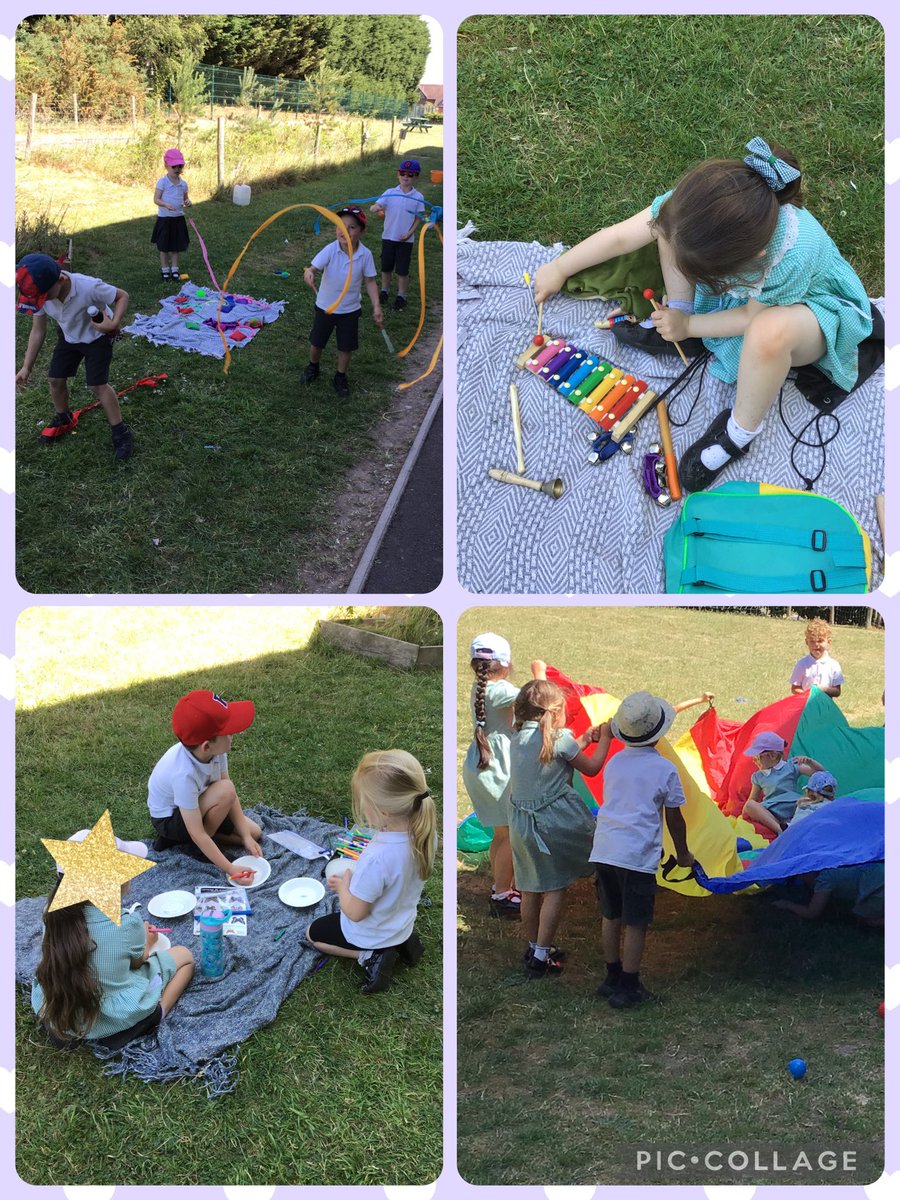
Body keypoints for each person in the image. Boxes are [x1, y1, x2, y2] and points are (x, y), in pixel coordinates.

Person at [534, 137, 875, 492]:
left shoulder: (790, 256)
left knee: (769, 334)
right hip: (746, 295)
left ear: (749, 261)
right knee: (667, 230)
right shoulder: (696, 211)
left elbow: (749, 318)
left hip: (813, 312)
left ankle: (738, 434)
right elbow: (621, 238)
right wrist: (560, 268)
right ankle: (683, 317)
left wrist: (691, 325)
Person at [31, 836, 195, 1050]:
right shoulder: (128, 923)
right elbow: (137, 963)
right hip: (114, 1013)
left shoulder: (51, 915)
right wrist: (147, 941)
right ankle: (155, 1015)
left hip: (57, 1010)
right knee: (185, 956)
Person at [590, 692, 692, 1009]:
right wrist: (684, 854)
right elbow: (674, 819)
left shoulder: (615, 762)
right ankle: (629, 987)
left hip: (605, 849)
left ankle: (612, 976)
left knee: (611, 914)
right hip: (636, 856)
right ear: (660, 732)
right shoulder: (664, 770)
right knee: (635, 921)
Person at [306, 749, 437, 994]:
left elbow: (355, 912)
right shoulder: (425, 834)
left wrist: (343, 888)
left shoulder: (379, 858)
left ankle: (369, 955)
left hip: (371, 932)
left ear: (384, 812)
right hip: (401, 923)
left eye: (364, 802)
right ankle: (402, 943)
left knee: (313, 934)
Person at [507, 679, 606, 979]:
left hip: (521, 825)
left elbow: (553, 754)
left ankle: (534, 946)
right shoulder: (560, 739)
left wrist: (584, 740)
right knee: (554, 888)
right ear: (558, 711)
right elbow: (591, 768)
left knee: (531, 887)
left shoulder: (516, 737)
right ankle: (540, 958)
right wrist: (605, 739)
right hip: (552, 824)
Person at [15, 252, 133, 461]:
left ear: (61, 279)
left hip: (98, 338)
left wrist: (113, 324)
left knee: (97, 385)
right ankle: (64, 418)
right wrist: (26, 367)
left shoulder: (89, 287)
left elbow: (122, 296)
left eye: (42, 297)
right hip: (69, 338)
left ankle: (120, 432)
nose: (40, 302)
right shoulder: (41, 294)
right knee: (55, 380)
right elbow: (38, 331)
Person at [461, 634, 547, 919]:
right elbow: (538, 698)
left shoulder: (481, 687)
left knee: (501, 832)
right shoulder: (500, 691)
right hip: (496, 769)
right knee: (512, 835)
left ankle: (501, 886)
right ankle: (501, 894)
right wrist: (540, 673)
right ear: (507, 664)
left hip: (481, 766)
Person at [147, 690, 262, 881]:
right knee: (224, 790)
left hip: (199, 804)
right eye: (228, 733)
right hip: (170, 820)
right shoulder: (183, 774)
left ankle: (201, 843)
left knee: (255, 832)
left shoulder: (216, 751)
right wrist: (230, 868)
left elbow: (230, 796)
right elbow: (199, 831)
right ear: (206, 746)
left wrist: (246, 837)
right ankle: (195, 848)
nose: (233, 734)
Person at [302, 206, 384, 397]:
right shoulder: (331, 249)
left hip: (349, 309)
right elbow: (313, 268)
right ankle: (313, 367)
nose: (344, 230)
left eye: (351, 227)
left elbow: (370, 281)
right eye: (340, 225)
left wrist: (377, 305)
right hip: (325, 308)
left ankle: (340, 376)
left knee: (346, 346)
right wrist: (309, 272)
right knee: (317, 342)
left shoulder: (365, 255)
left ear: (362, 231)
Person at [740, 730, 826, 836]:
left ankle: (793, 825)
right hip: (773, 810)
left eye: (758, 757)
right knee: (750, 805)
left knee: (816, 802)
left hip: (793, 804)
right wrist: (744, 814)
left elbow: (821, 774)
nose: (754, 760)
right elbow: (752, 799)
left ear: (773, 755)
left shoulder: (790, 766)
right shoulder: (758, 776)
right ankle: (782, 829)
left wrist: (809, 762)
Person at [370, 158, 426, 311]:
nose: (406, 176)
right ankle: (384, 291)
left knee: (402, 270)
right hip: (388, 237)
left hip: (405, 240)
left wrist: (409, 233)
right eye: (403, 173)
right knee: (386, 267)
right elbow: (380, 204)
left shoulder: (418, 197)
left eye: (410, 174)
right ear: (398, 174)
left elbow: (418, 218)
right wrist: (375, 207)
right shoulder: (390, 192)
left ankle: (401, 296)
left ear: (416, 177)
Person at [773, 860, 884, 926]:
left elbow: (812, 913)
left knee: (865, 920)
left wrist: (787, 905)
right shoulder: (832, 864)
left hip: (879, 887)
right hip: (880, 871)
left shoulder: (825, 880)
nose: (801, 879)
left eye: (801, 875)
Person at [152, 147, 191, 281]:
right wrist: (165, 204)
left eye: (180, 166)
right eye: (174, 166)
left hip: (178, 219)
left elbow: (185, 198)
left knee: (176, 246)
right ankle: (165, 270)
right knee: (164, 246)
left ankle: (175, 270)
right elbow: (156, 199)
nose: (177, 169)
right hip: (165, 219)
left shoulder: (183, 184)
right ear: (166, 166)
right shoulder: (162, 182)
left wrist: (188, 202)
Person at [791, 618, 843, 698]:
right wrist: (807, 696)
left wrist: (822, 689)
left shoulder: (833, 665)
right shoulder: (802, 664)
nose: (816, 645)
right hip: (806, 706)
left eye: (820, 641)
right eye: (812, 641)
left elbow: (837, 691)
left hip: (825, 707)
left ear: (828, 642)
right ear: (806, 642)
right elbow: (795, 688)